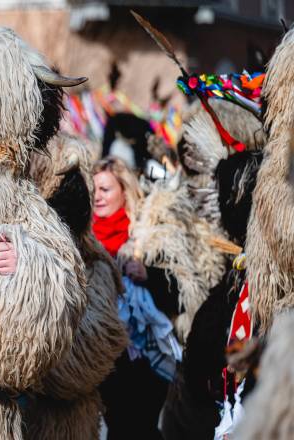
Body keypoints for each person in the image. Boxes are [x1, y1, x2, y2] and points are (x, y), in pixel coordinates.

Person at [92, 157, 179, 440]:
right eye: (93, 190)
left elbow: (180, 291)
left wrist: (148, 274)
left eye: (105, 189)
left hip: (145, 358)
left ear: (124, 190)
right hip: (105, 353)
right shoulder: (85, 238)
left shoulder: (147, 235)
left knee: (141, 427)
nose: (97, 197)